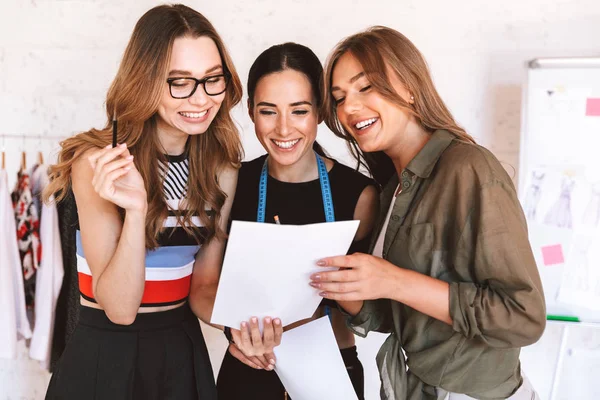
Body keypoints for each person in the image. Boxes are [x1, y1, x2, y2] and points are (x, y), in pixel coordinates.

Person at [310, 26, 546, 400]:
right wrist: (342, 285)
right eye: (339, 98)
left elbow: (523, 317)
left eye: (365, 87)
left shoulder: (469, 168)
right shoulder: (393, 188)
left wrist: (393, 280)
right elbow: (395, 315)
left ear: (409, 84)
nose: (349, 108)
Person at [42, 4, 252, 399]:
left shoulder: (220, 168)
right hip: (106, 353)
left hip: (182, 351)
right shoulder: (99, 163)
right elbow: (119, 309)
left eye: (212, 79)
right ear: (147, 81)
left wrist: (238, 326)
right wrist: (137, 210)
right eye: (179, 82)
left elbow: (203, 284)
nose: (201, 98)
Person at [216, 42, 379, 400]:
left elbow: (376, 310)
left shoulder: (360, 196)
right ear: (251, 112)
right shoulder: (232, 181)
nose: (284, 129)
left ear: (319, 111)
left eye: (299, 110)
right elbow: (202, 286)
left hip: (330, 370)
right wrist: (236, 332)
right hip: (249, 366)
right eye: (268, 111)